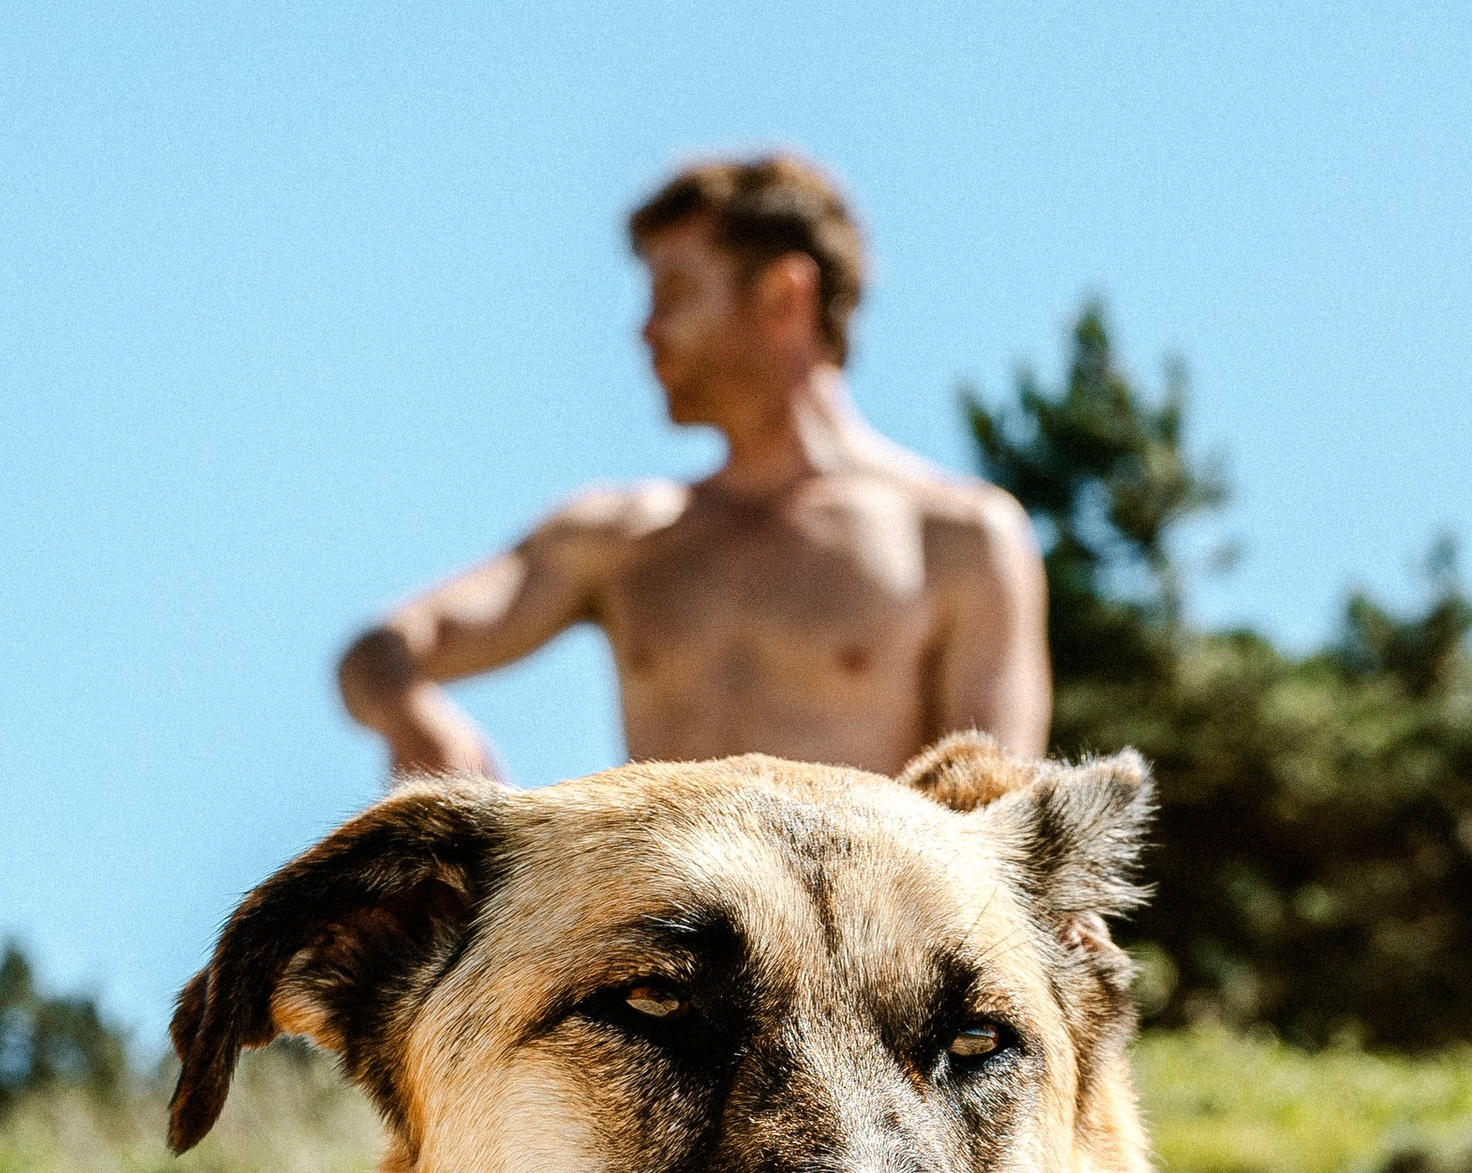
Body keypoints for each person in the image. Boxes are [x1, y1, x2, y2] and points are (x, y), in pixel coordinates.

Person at [339, 152, 1049, 782]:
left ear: (783, 297)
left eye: (675, 293)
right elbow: (377, 652)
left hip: (865, 928)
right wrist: (413, 717)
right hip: (653, 926)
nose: (645, 330)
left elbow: (998, 814)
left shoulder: (958, 536)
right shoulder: (618, 537)